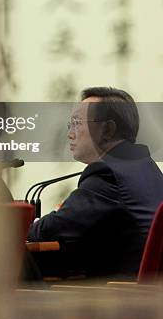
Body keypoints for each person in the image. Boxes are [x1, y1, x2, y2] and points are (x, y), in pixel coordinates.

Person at [27, 87, 163, 279]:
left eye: (76, 123)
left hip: (123, 295)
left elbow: (52, 229)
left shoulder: (109, 173)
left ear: (107, 129)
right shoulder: (145, 168)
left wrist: (16, 226)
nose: (70, 134)